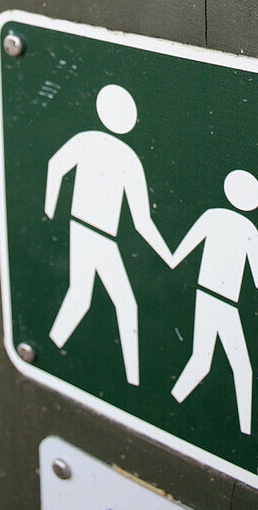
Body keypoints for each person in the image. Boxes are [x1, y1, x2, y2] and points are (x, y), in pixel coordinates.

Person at [44, 83, 173, 386]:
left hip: (87, 231)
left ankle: (52, 344)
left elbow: (55, 166)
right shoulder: (126, 157)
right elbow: (142, 222)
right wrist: (168, 255)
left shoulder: (93, 143)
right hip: (95, 235)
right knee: (123, 303)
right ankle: (133, 378)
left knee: (81, 296)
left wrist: (52, 208)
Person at [169, 169, 258, 434]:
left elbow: (181, 251)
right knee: (238, 368)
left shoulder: (219, 219)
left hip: (214, 299)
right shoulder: (245, 229)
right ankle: (245, 431)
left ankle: (172, 404)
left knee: (204, 362)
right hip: (219, 302)